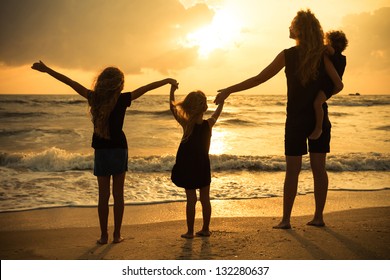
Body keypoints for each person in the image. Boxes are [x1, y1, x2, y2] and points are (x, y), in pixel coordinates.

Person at [214, 9, 343, 229]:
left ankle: (286, 220)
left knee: (292, 170)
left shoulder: (288, 55)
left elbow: (259, 78)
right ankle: (318, 217)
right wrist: (320, 99)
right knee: (318, 168)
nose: (289, 28)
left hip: (295, 120)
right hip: (317, 118)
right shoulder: (322, 54)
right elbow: (338, 83)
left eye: (292, 24)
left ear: (299, 29)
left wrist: (229, 90)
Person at [31, 60, 178, 243]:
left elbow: (69, 82)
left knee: (103, 196)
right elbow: (146, 87)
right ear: (119, 84)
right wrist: (167, 80)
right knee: (118, 195)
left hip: (101, 150)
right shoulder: (123, 99)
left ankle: (103, 236)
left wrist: (47, 70)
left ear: (101, 81)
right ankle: (116, 235)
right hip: (119, 149)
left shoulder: (93, 98)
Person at [169, 85, 224, 239]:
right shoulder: (208, 124)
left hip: (188, 166)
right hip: (203, 165)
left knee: (191, 199)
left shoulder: (187, 125)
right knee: (205, 199)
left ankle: (190, 231)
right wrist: (222, 102)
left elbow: (172, 108)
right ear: (204, 107)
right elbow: (217, 114)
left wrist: (172, 91)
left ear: (189, 106)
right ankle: (206, 229)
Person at [309, 30, 348, 140]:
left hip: (328, 86)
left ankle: (318, 128)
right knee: (318, 103)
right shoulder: (340, 57)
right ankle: (318, 127)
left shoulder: (335, 54)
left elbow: (325, 48)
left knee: (317, 103)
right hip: (329, 86)